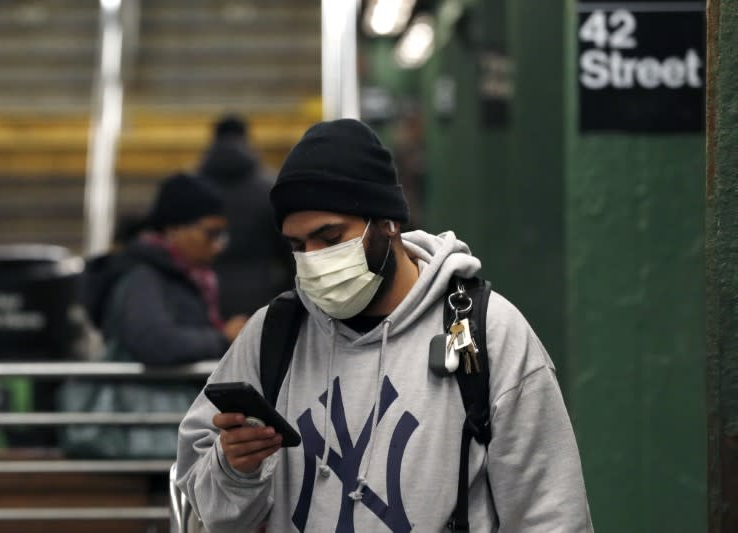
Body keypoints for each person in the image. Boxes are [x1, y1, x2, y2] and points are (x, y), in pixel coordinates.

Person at [175, 119, 593, 532]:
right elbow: (214, 514)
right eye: (298, 246)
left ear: (388, 222)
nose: (314, 259)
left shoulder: (486, 332)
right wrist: (235, 469)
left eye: (331, 237)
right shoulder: (273, 336)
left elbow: (550, 513)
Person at [85, 172, 248, 363]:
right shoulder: (142, 276)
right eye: (211, 233)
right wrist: (223, 338)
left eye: (222, 235)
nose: (218, 245)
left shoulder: (185, 275)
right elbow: (154, 343)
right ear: (174, 228)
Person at [196, 114, 294, 319]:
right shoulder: (269, 188)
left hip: (202, 294)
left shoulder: (191, 187)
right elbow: (288, 249)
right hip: (260, 292)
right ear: (246, 139)